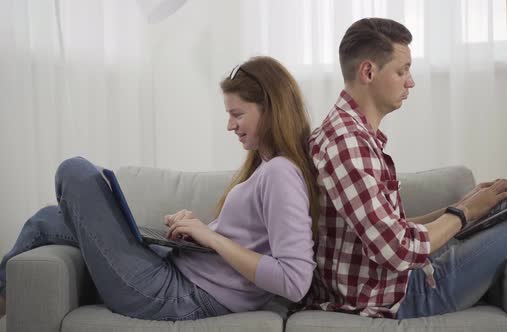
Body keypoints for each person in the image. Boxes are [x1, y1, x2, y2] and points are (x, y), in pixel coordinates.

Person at [306, 17, 507, 329]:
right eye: (402, 71)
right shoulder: (347, 144)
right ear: (369, 72)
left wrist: (466, 205)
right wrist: (465, 212)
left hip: (394, 283)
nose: (410, 81)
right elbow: (399, 250)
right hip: (402, 296)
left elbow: (388, 230)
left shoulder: (349, 134)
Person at [0, 56, 318, 321]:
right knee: (49, 219)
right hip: (175, 271)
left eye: (237, 114)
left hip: (178, 294)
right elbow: (248, 240)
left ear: (270, 109)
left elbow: (294, 280)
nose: (230, 126)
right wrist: (198, 232)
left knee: (76, 172)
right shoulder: (265, 168)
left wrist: (212, 238)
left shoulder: (281, 173)